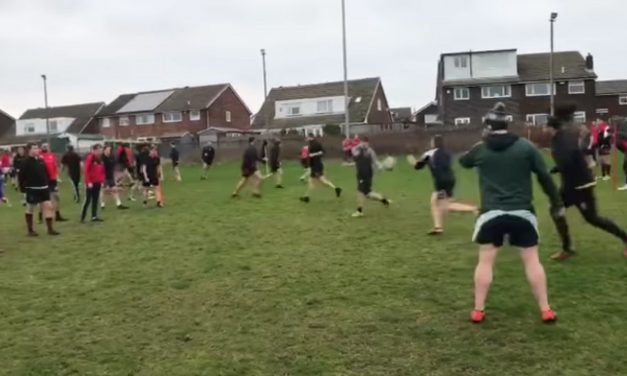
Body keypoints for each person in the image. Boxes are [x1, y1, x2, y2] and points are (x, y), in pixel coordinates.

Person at [459, 102, 562, 324]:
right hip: (522, 214)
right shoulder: (526, 147)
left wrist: (479, 144)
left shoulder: (481, 148)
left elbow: (463, 161)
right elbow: (544, 176)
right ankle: (545, 309)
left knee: (485, 262)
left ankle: (478, 309)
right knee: (532, 261)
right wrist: (556, 201)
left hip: (490, 215)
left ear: (488, 126)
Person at [545, 106, 627, 261]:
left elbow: (568, 160)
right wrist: (554, 169)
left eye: (545, 125)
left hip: (580, 186)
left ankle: (625, 238)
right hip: (571, 186)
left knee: (592, 218)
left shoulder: (562, 140)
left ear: (551, 127)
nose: (544, 128)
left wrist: (553, 170)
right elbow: (570, 159)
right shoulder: (558, 138)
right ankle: (568, 248)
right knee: (556, 210)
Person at [407, 134, 477, 235]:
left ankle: (473, 209)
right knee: (435, 201)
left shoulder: (429, 153)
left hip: (441, 181)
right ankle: (438, 227)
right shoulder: (447, 153)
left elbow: (418, 166)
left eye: (431, 141)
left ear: (434, 142)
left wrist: (411, 159)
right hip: (451, 179)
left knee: (445, 206)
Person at [18, 143, 60, 236]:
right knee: (30, 208)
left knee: (48, 207)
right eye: (34, 148)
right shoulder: (25, 162)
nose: (36, 150)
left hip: (44, 188)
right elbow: (21, 177)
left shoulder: (41, 160)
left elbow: (46, 174)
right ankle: (30, 230)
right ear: (29, 150)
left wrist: (50, 184)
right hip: (32, 189)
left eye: (37, 148)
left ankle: (50, 229)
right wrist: (23, 191)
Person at [350, 137, 391, 217]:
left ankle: (359, 211)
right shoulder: (357, 149)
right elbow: (355, 155)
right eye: (363, 142)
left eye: (366, 143)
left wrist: (379, 166)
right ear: (361, 142)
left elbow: (375, 161)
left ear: (368, 143)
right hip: (360, 174)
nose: (365, 144)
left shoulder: (370, 151)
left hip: (366, 175)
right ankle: (384, 201)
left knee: (360, 192)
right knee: (368, 194)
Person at [300, 134, 342, 203]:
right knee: (315, 181)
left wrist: (313, 155)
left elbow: (322, 152)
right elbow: (321, 152)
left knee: (321, 181)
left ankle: (307, 197)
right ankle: (306, 197)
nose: (306, 138)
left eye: (307, 137)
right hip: (315, 165)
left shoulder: (315, 144)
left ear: (311, 137)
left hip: (316, 166)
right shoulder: (313, 144)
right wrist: (314, 156)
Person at [39, 143, 67, 222]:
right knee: (44, 199)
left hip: (53, 180)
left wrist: (57, 176)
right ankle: (41, 216)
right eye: (44, 146)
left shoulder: (51, 155)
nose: (46, 148)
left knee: (56, 197)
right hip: (44, 180)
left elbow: (54, 167)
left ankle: (58, 215)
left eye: (47, 146)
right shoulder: (40, 156)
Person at [101, 145, 129, 210]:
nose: (109, 151)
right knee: (105, 191)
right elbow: (101, 169)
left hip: (110, 176)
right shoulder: (102, 158)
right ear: (104, 150)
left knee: (114, 190)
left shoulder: (111, 157)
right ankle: (102, 204)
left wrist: (115, 175)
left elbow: (113, 167)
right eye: (107, 150)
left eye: (109, 150)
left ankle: (119, 204)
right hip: (104, 177)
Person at [82, 144, 105, 223]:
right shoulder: (90, 157)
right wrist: (88, 182)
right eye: (98, 150)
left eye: (101, 150)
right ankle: (83, 217)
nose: (100, 151)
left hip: (97, 182)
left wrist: (102, 181)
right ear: (94, 150)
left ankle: (94, 216)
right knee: (88, 200)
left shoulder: (100, 159)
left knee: (95, 199)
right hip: (91, 183)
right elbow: (86, 170)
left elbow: (102, 171)